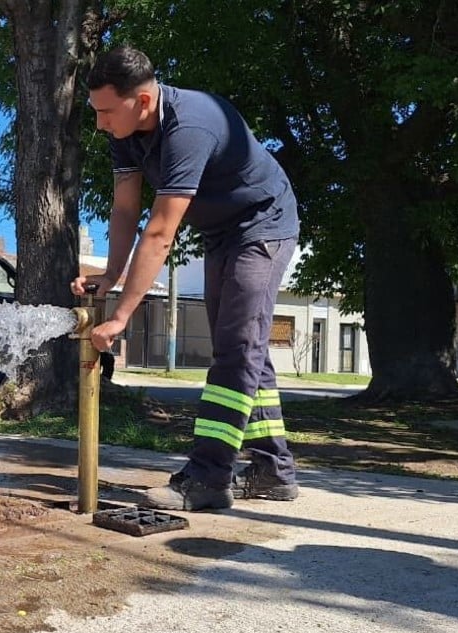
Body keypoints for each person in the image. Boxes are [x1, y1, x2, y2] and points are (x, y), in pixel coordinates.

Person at [70, 46, 301, 511]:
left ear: (144, 101)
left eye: (106, 112)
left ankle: (208, 477)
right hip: (220, 233)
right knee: (245, 347)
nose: (100, 123)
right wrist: (111, 275)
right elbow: (124, 208)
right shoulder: (125, 128)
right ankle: (274, 470)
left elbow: (159, 232)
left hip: (263, 225)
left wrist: (122, 317)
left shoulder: (190, 126)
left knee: (237, 347)